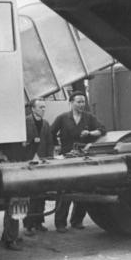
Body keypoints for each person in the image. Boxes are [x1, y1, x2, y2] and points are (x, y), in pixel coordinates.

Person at [51, 91, 106, 233]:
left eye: (83, 102)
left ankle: (77, 221)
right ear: (71, 102)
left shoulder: (89, 117)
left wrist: (90, 135)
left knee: (83, 188)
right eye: (78, 102)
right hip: (66, 158)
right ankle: (60, 223)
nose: (81, 104)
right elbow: (51, 133)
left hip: (83, 157)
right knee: (64, 189)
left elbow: (102, 130)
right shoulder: (62, 118)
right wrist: (57, 148)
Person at [21, 98, 54, 236]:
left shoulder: (46, 124)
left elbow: (49, 143)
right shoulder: (25, 122)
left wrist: (49, 160)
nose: (43, 109)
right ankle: (28, 225)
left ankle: (39, 222)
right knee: (29, 195)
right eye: (40, 107)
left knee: (41, 194)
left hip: (42, 162)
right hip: (28, 163)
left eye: (44, 107)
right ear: (33, 108)